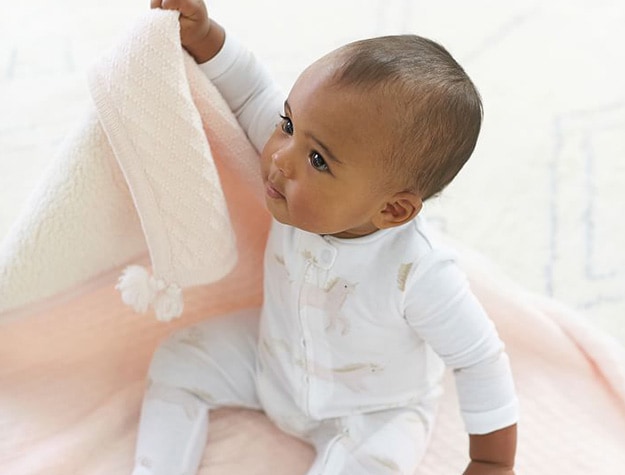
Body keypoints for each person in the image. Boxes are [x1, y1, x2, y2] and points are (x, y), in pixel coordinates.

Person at [134, 1, 519, 474]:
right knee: (179, 357)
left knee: (376, 463)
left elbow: (479, 359)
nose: (280, 157)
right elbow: (253, 90)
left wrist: (491, 460)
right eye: (289, 124)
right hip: (270, 364)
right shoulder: (291, 168)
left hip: (371, 414)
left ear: (392, 209)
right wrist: (206, 34)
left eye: (318, 160)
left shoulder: (419, 272)